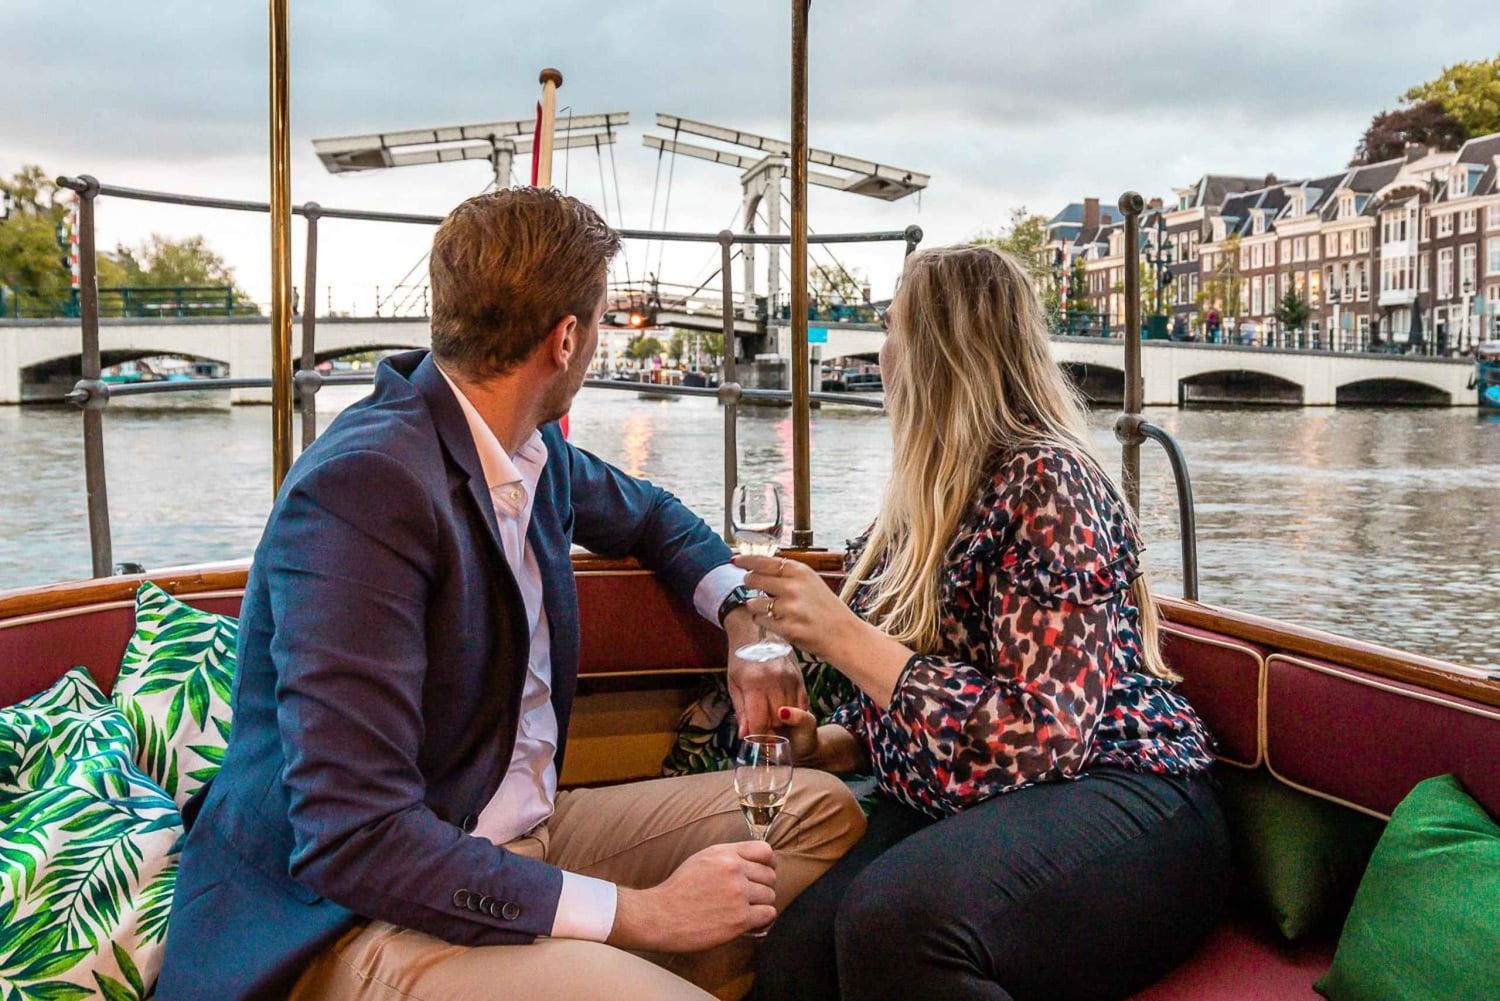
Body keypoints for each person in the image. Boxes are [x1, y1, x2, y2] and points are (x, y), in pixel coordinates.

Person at [156, 188, 865, 1001]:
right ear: (567, 338)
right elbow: (354, 838)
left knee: (819, 814)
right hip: (354, 917)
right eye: (598, 325)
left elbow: (655, 518)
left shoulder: (528, 454)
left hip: (513, 838)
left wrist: (743, 617)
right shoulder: (365, 487)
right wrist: (642, 914)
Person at [740, 245, 1231, 1001]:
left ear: (940, 353)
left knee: (895, 923)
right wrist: (831, 741)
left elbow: (1044, 736)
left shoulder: (1049, 482)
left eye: (894, 326)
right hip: (977, 796)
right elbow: (922, 694)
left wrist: (843, 636)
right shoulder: (924, 500)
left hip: (1130, 792)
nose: (881, 351)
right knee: (792, 962)